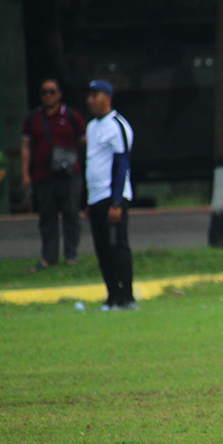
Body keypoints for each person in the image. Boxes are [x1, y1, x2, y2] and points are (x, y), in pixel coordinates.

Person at [21, 78, 86, 272]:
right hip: (43, 175)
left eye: (51, 91)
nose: (47, 96)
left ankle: (71, 254)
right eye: (44, 92)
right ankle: (48, 257)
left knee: (71, 213)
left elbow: (84, 141)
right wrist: (25, 174)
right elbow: (26, 147)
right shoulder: (33, 118)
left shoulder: (72, 116)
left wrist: (72, 158)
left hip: (69, 174)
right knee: (47, 217)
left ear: (59, 94)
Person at [85, 79, 136, 311]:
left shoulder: (117, 125)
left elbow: (122, 163)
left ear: (107, 97)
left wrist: (116, 201)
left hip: (112, 196)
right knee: (102, 248)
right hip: (95, 197)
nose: (91, 100)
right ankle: (112, 296)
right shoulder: (92, 127)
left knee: (118, 246)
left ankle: (126, 296)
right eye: (90, 95)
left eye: (96, 95)